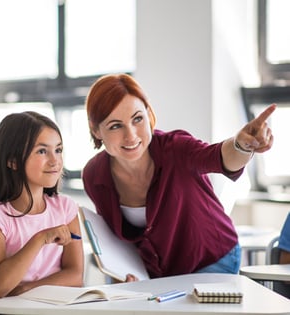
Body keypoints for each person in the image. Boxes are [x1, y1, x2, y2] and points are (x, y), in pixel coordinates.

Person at [82, 73, 276, 280]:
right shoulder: (94, 175)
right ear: (96, 131)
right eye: (115, 126)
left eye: (137, 119)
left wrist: (242, 145)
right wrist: (126, 271)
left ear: (149, 114)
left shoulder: (175, 148)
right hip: (154, 269)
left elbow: (220, 156)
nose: (131, 135)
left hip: (210, 257)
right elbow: (115, 239)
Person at [0, 111, 84, 298]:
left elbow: (75, 276)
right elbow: (0, 288)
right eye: (42, 151)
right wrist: (40, 238)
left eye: (58, 150)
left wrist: (28, 289)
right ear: (13, 161)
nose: (55, 160)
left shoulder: (65, 208)